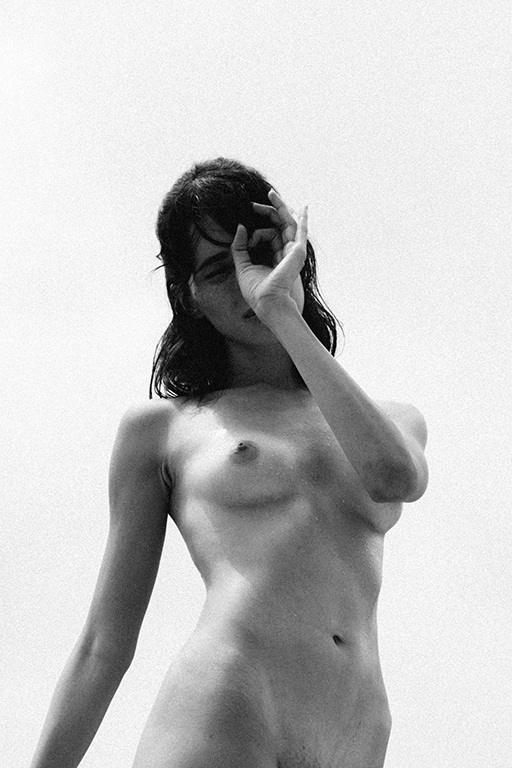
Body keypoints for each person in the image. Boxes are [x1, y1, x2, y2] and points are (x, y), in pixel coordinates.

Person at [30, 157, 428, 768]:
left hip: (354, 730)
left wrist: (283, 313)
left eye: (261, 254)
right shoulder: (165, 429)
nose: (248, 283)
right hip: (227, 700)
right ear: (189, 296)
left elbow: (394, 478)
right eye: (219, 270)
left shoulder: (391, 420)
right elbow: (104, 646)